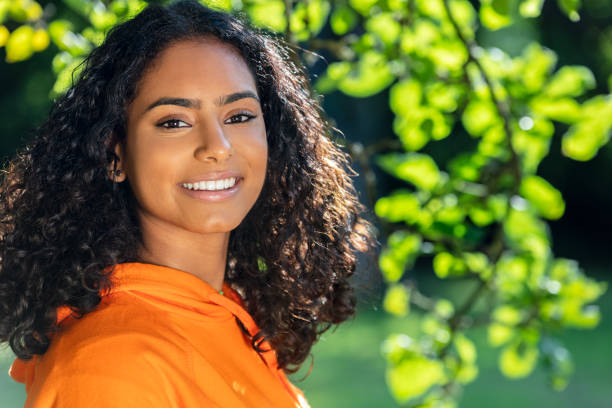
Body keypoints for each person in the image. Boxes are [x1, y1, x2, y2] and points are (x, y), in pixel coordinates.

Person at [0, 0, 376, 406]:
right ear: (115, 155)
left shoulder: (225, 313)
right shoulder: (110, 365)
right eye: (174, 122)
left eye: (239, 116)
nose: (218, 146)